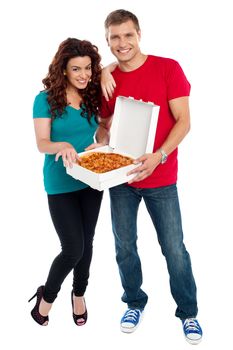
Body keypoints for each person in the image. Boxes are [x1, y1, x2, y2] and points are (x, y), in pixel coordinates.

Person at [96, 9, 203, 344]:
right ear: (108, 40)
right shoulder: (108, 80)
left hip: (161, 177)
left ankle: (188, 312)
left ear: (139, 33)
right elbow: (102, 131)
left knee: (174, 248)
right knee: (124, 246)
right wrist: (104, 131)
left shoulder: (168, 68)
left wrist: (159, 156)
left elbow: (184, 121)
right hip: (121, 179)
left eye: (128, 35)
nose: (122, 43)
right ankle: (134, 302)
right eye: (115, 37)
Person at [29, 38, 105, 326]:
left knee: (88, 243)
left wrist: (100, 144)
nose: (84, 74)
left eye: (88, 68)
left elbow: (102, 134)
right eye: (76, 69)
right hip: (60, 183)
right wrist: (60, 145)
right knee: (73, 248)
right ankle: (46, 297)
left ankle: (79, 294)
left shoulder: (93, 95)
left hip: (91, 179)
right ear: (63, 70)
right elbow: (41, 143)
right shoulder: (45, 99)